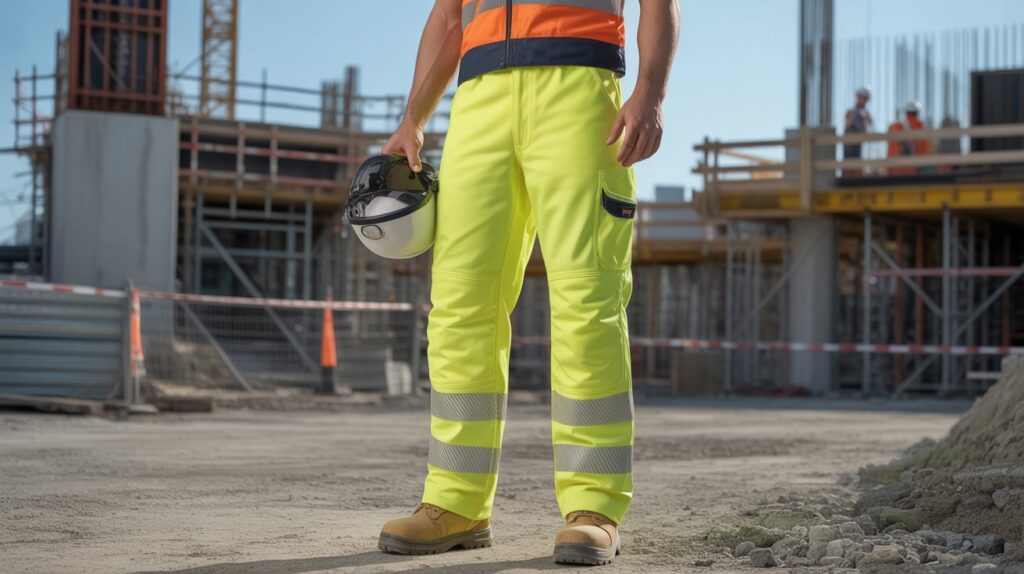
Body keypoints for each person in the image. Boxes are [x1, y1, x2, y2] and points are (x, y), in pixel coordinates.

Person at [376, 0, 679, 566]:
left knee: (587, 299)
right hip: (479, 103)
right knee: (460, 304)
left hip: (580, 91)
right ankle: (455, 502)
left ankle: (594, 507)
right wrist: (413, 117)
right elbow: (448, 20)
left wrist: (651, 93)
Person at [887, 101, 933, 175]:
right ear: (917, 113)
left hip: (897, 170)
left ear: (906, 113)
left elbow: (891, 150)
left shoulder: (895, 126)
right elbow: (926, 150)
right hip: (916, 170)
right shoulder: (921, 126)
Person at [843, 87, 873, 177]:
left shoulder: (865, 113)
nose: (862, 100)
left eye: (864, 98)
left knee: (856, 163)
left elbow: (869, 125)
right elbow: (851, 125)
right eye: (861, 98)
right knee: (850, 163)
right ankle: (849, 175)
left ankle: (855, 174)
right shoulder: (852, 112)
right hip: (850, 143)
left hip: (857, 143)